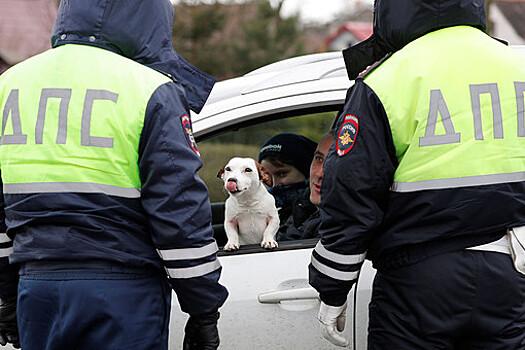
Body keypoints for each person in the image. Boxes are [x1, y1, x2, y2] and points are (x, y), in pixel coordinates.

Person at [0, 1, 228, 349]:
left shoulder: (9, 85)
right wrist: (203, 310)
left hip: (37, 288)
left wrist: (6, 296)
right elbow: (178, 211)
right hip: (122, 293)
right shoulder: (151, 88)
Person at [309, 0, 525, 348]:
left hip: (418, 280)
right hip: (511, 274)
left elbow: (351, 191)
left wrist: (332, 288)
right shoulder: (519, 66)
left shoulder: (387, 79)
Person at [277, 131, 335, 241]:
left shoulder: (342, 232)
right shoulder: (302, 209)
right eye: (318, 158)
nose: (319, 174)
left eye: (334, 163)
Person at [258, 133, 317, 223]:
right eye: (266, 176)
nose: (274, 184)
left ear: (307, 172)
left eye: (282, 173)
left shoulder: (315, 215)